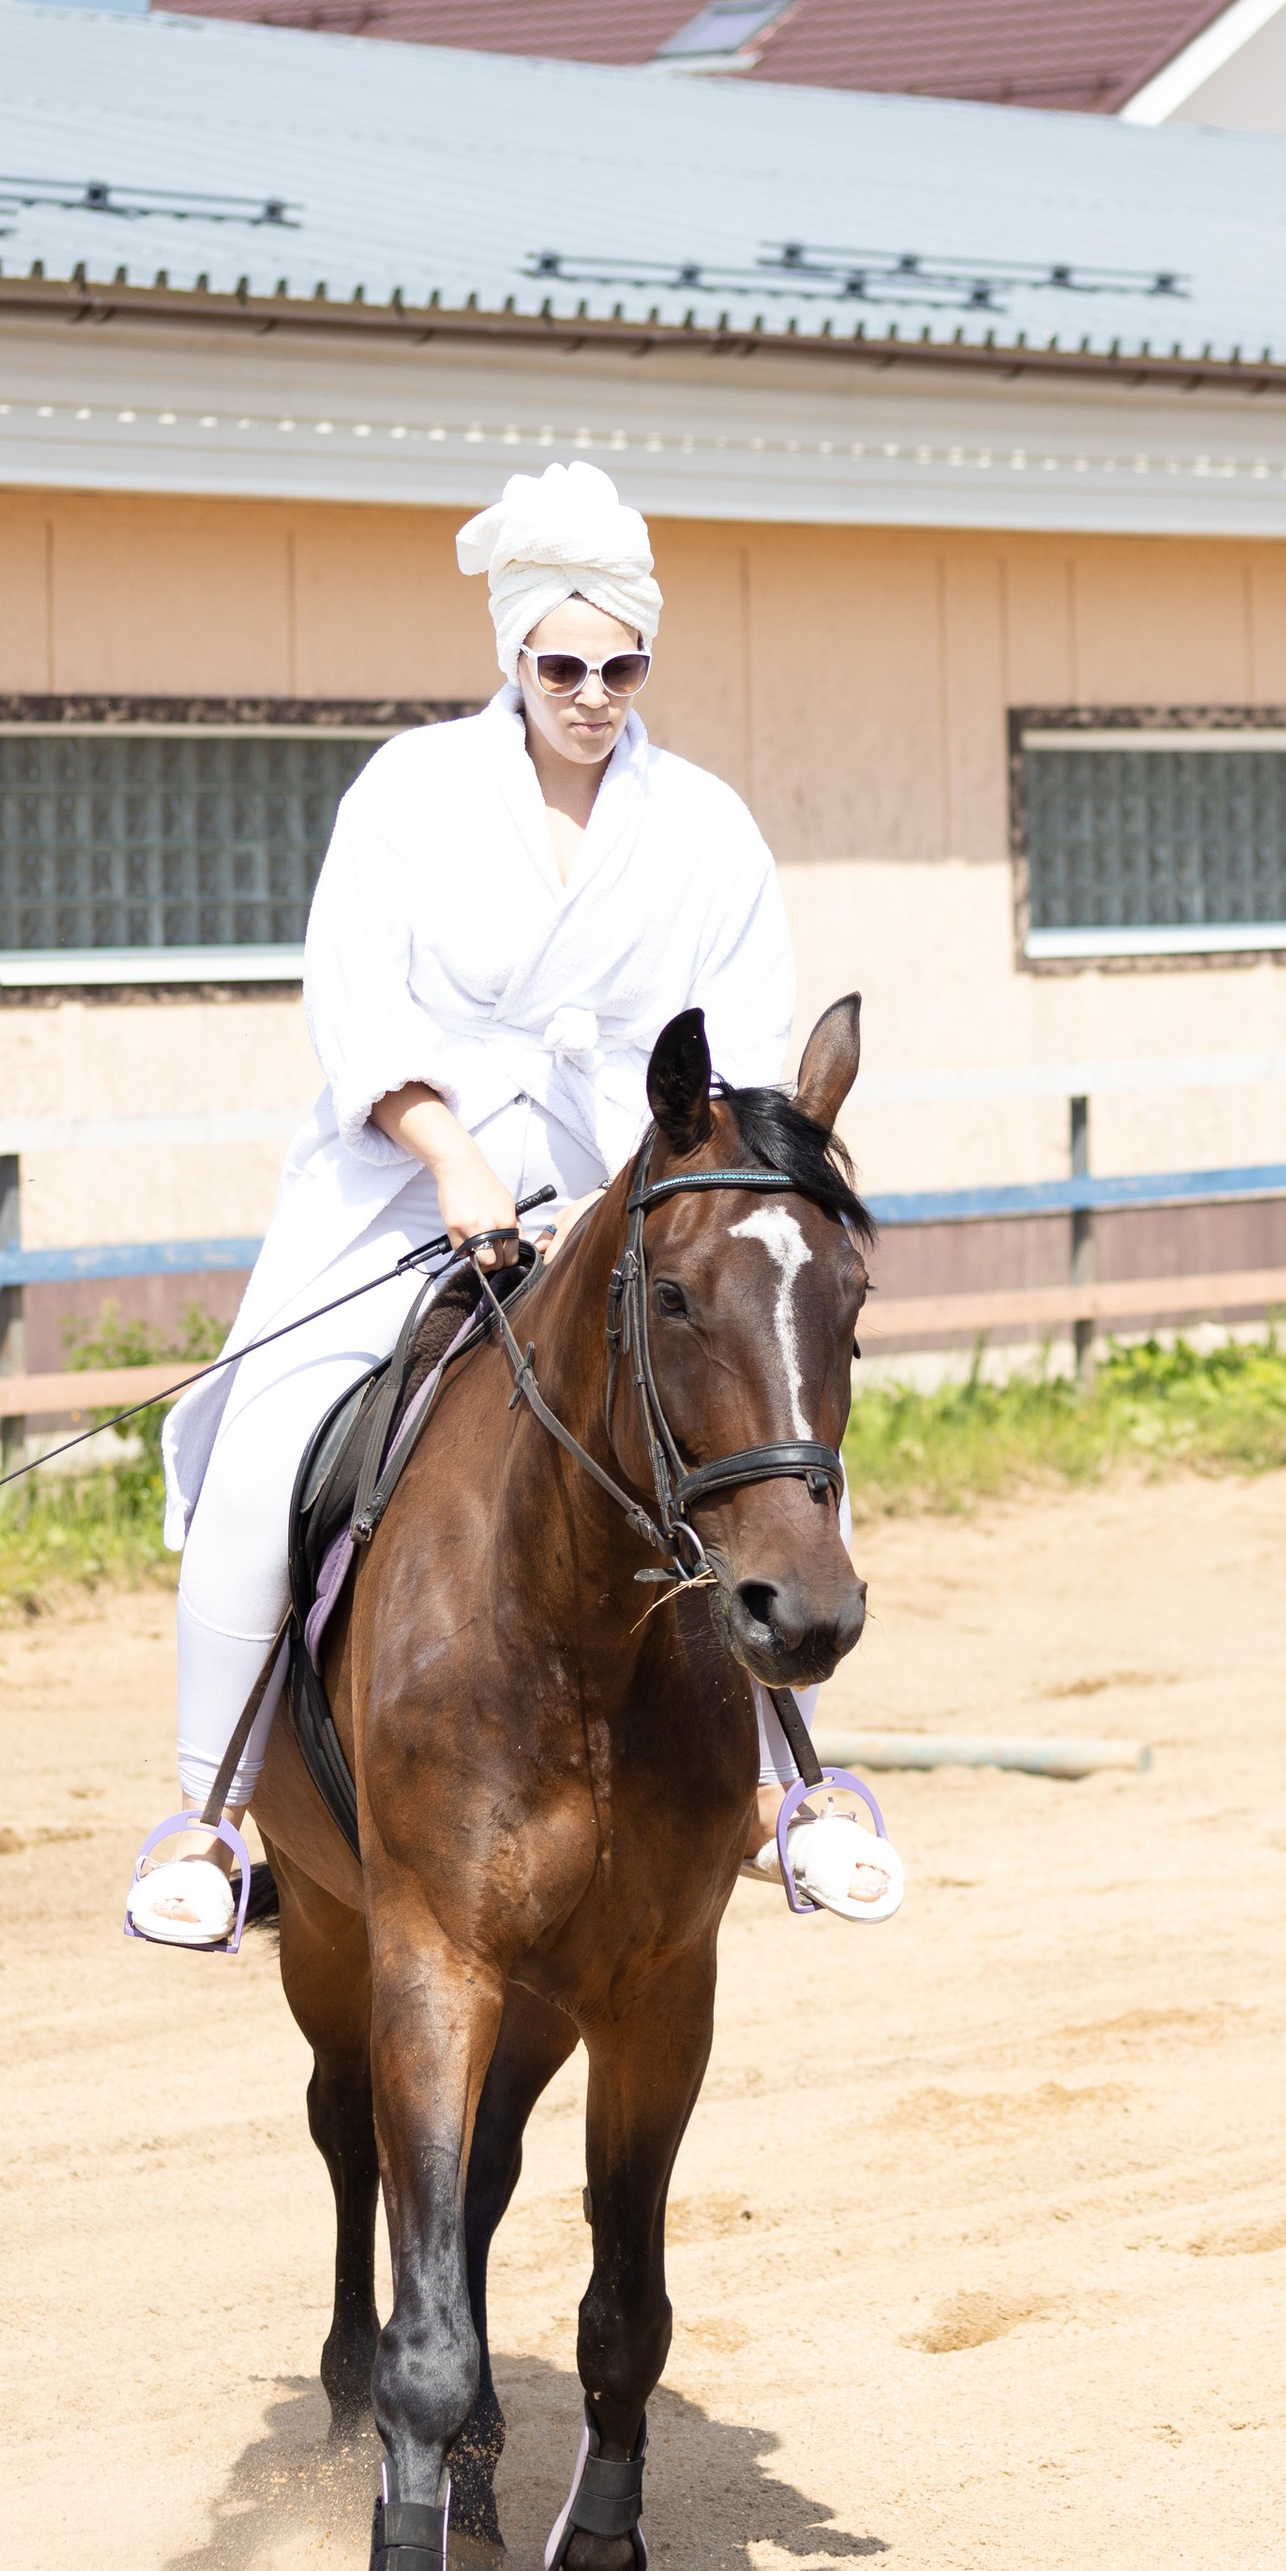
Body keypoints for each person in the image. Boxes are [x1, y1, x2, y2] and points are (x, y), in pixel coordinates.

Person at [123, 457, 891, 1945]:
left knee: (761, 1424)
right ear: (513, 656)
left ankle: (796, 1792)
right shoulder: (408, 793)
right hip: (407, 1188)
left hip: (633, 1197)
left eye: (623, 665)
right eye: (564, 664)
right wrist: (455, 1159)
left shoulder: (709, 827)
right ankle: (207, 1818)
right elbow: (355, 1003)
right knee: (263, 1439)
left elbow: (733, 1051)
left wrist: (678, 1196)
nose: (593, 692)